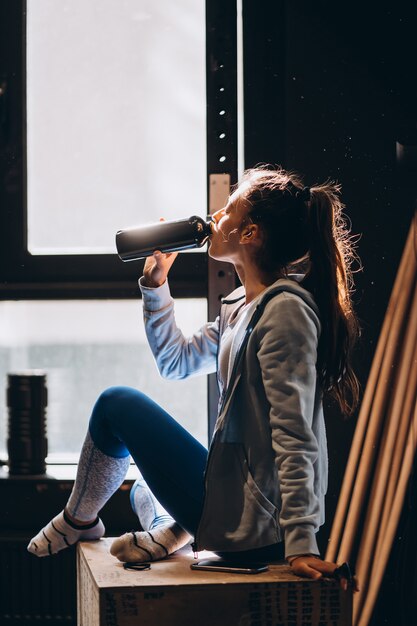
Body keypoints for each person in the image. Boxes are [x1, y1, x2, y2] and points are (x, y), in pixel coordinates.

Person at [27, 165, 360, 588]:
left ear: (250, 234)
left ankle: (79, 519)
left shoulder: (285, 313)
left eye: (228, 210)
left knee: (116, 403)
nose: (214, 216)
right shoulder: (242, 306)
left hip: (259, 530)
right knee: (145, 487)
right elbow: (175, 361)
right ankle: (170, 530)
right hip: (233, 497)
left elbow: (294, 438)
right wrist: (155, 284)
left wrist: (301, 544)